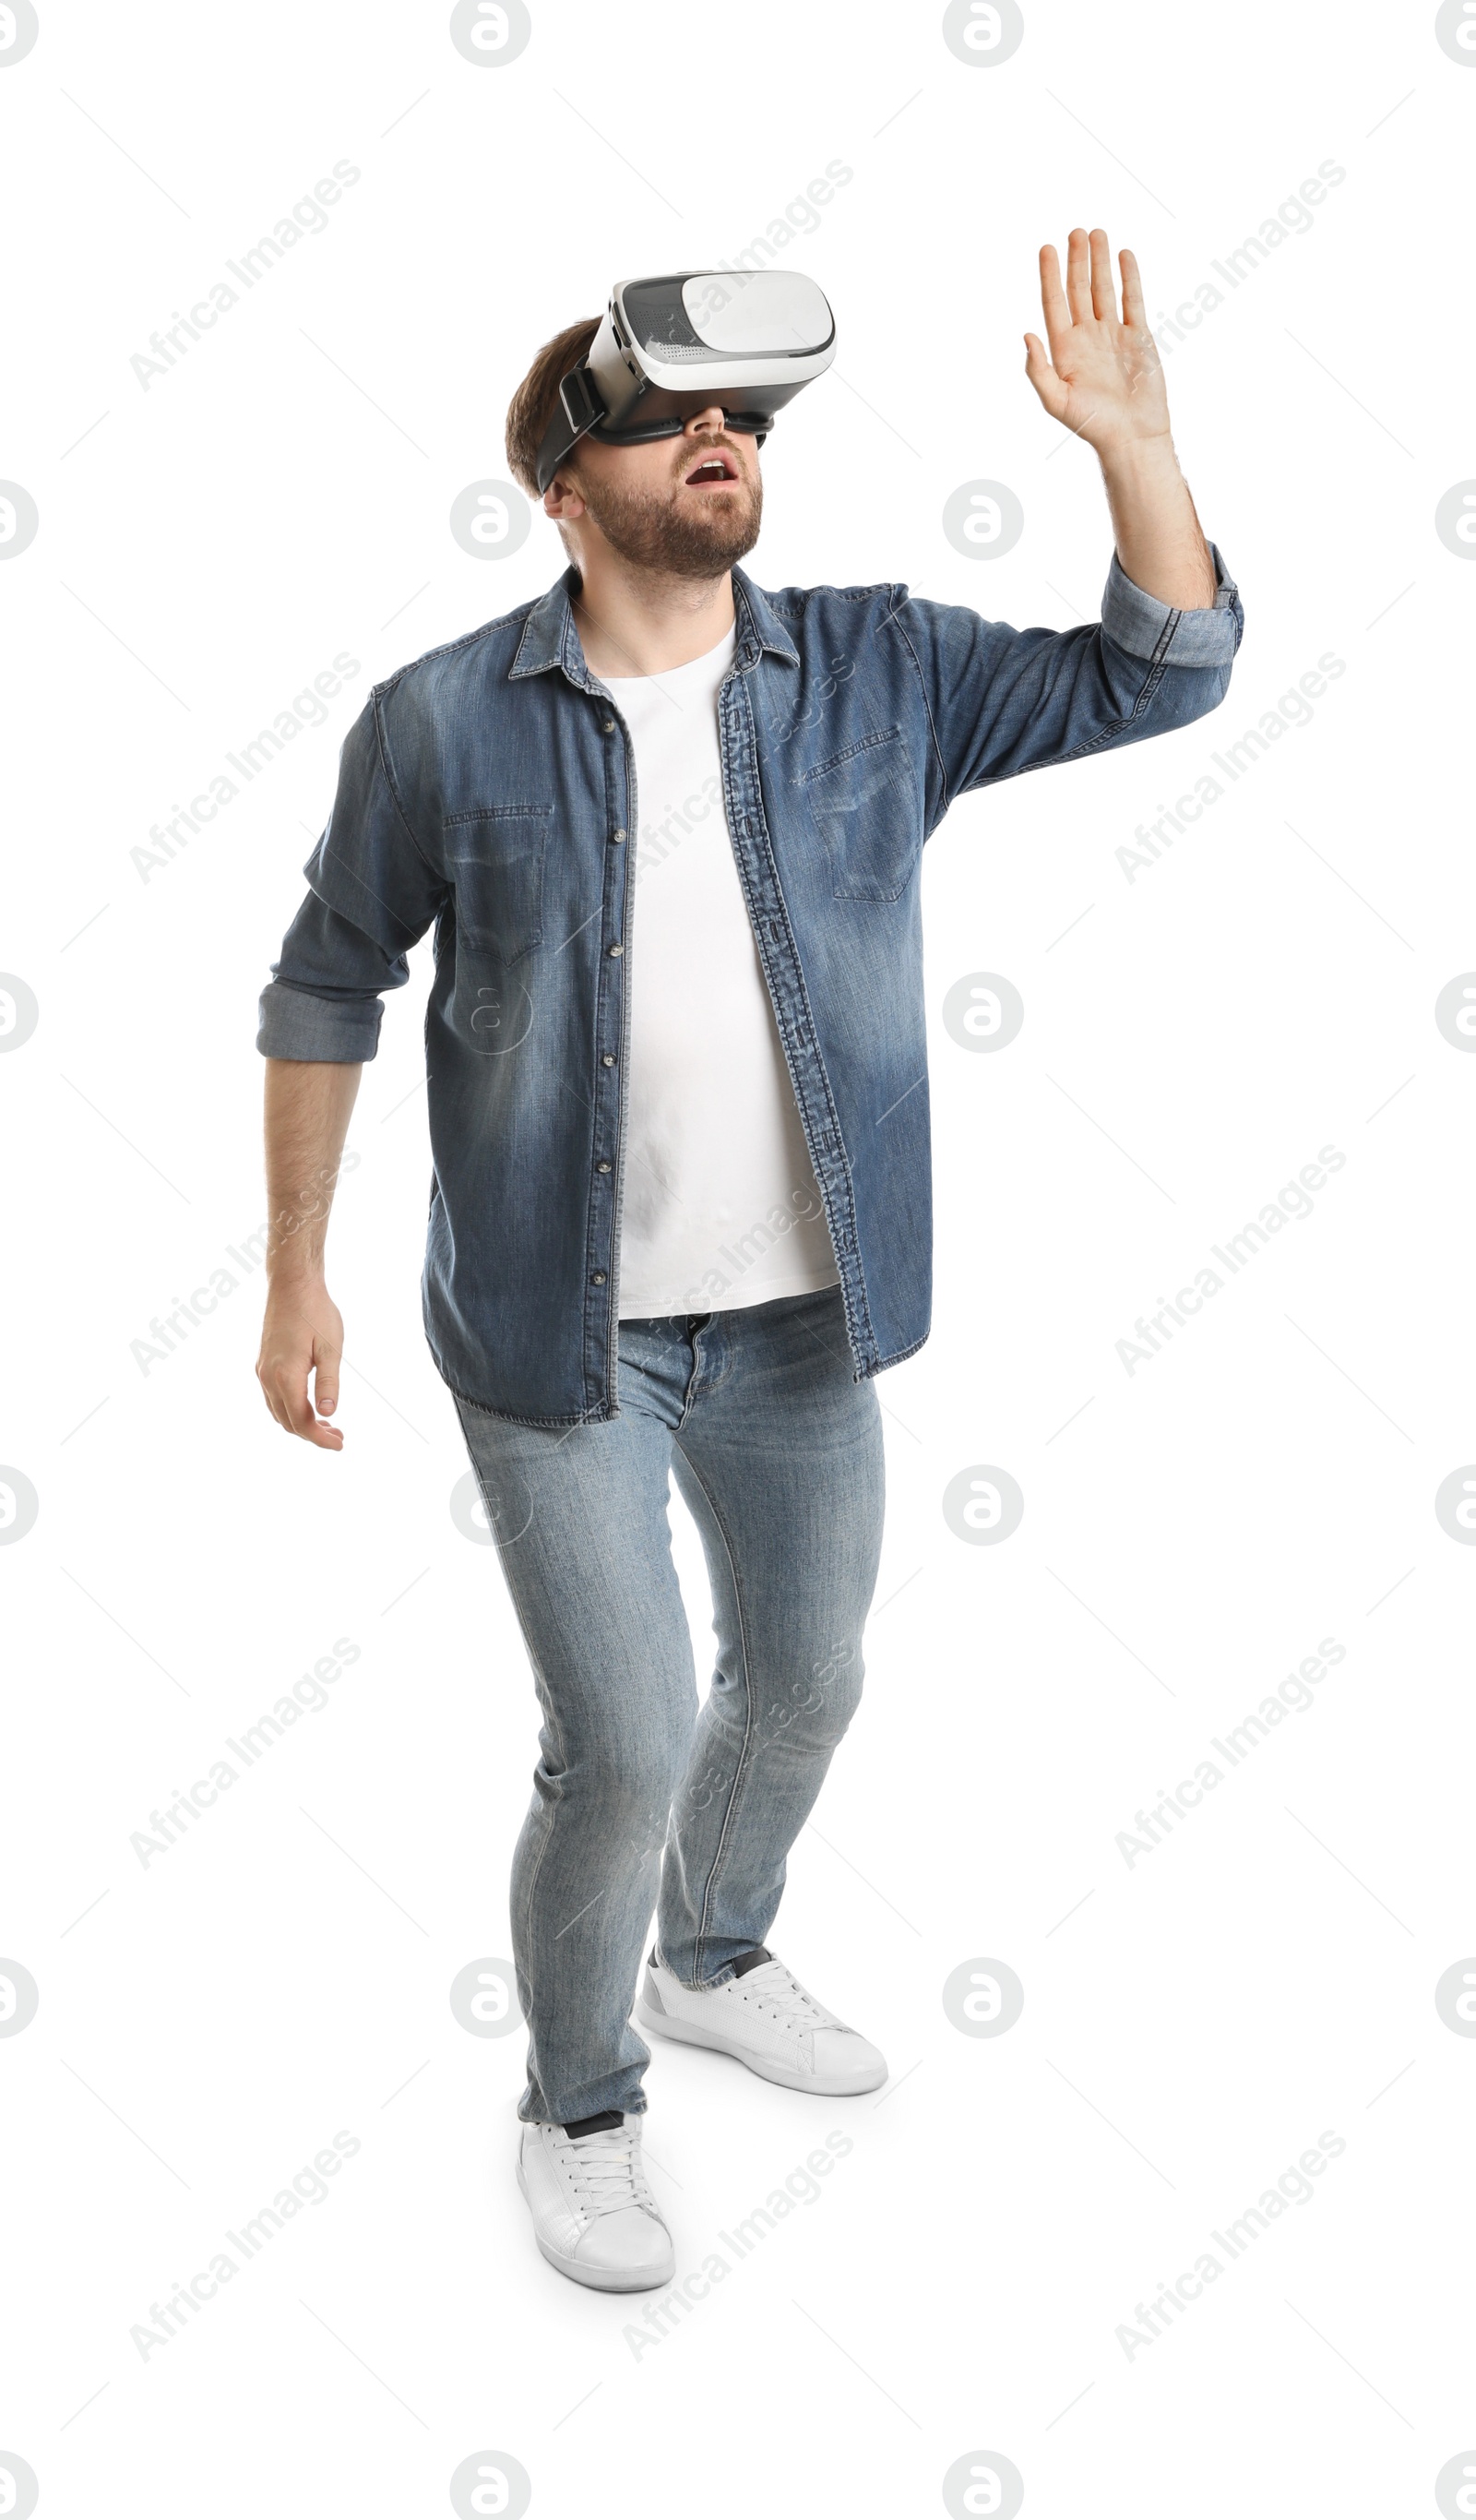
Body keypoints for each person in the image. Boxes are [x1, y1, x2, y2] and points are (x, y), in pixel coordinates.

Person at [255, 230, 1242, 2292]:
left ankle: (708, 1951)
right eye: (666, 416)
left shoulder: (875, 673)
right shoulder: (440, 724)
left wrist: (1134, 452)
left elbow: (1161, 666)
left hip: (804, 1323)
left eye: (747, 420)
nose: (719, 439)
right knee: (615, 1740)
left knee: (800, 1678)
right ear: (562, 481)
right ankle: (580, 2100)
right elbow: (327, 982)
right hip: (554, 1339)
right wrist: (294, 1272)